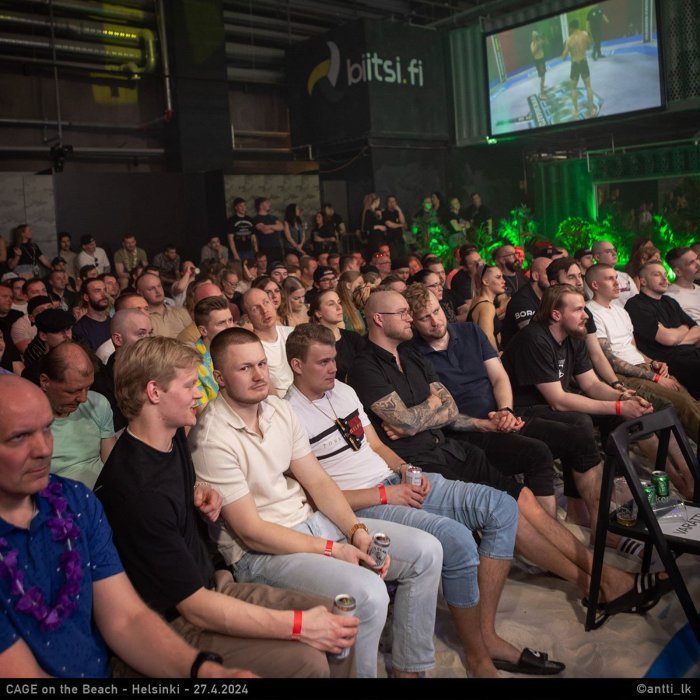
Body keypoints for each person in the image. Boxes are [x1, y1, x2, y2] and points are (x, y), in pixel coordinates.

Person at [347, 291, 669, 624]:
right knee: (511, 512)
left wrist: (420, 417)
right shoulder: (365, 367)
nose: (410, 318)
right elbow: (405, 421)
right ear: (379, 319)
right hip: (422, 465)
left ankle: (602, 575)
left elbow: (448, 408)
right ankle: (601, 581)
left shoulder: (410, 355)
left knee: (524, 497)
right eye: (403, 313)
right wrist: (428, 410)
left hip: (450, 448)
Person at [286, 324, 563, 678]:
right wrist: (387, 494)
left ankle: (485, 634)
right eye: (323, 362)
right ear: (297, 365)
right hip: (362, 503)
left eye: (333, 360)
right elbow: (316, 496)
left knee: (502, 507)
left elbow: (376, 445)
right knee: (458, 539)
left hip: (391, 480)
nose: (333, 368)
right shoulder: (290, 414)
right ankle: (477, 654)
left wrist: (404, 468)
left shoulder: (342, 390)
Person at [95, 337, 357, 678]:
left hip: (210, 584)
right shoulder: (138, 490)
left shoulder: (169, 436)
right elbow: (195, 608)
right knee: (309, 658)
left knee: (339, 617)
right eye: (189, 385)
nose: (199, 394)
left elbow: (175, 492)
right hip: (172, 621)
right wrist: (298, 626)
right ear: (154, 392)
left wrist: (197, 490)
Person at [189, 327, 443, 678]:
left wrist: (355, 532)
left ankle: (408, 670)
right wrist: (333, 549)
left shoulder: (277, 409)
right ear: (219, 378)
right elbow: (251, 532)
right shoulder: (211, 436)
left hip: (312, 523)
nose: (259, 375)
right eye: (244, 368)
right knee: (369, 594)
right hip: (262, 553)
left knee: (427, 551)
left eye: (261, 364)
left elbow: (318, 481)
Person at [0, 375, 251, 679]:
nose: (43, 449)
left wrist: (206, 672)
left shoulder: (75, 502)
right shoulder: (130, 485)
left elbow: (126, 618)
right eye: (18, 437)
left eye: (47, 429)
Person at [587, 263, 700, 463]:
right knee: (682, 404)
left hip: (643, 368)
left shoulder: (621, 311)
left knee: (690, 400)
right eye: (610, 278)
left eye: (616, 277)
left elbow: (634, 349)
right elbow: (609, 359)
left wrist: (654, 363)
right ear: (595, 285)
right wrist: (654, 378)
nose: (617, 283)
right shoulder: (591, 312)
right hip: (623, 375)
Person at [38, 342, 115, 489]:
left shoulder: (97, 404)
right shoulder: (26, 425)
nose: (83, 398)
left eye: (88, 387)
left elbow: (111, 462)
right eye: (73, 391)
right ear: (45, 382)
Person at [625, 261, 700, 398]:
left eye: (665, 274)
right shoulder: (635, 305)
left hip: (691, 353)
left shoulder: (669, 301)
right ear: (643, 281)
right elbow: (668, 338)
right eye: (657, 275)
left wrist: (676, 338)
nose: (664, 278)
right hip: (667, 363)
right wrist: (683, 328)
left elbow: (696, 329)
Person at [244, 287, 294, 396]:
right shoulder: (251, 349)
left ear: (272, 304)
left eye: (266, 302)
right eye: (255, 308)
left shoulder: (292, 334)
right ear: (248, 317)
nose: (264, 310)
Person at [308, 289, 364, 383]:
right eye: (331, 304)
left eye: (339, 302)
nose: (339, 307)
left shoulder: (354, 338)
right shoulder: (311, 343)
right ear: (318, 313)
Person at [193, 295, 235, 411]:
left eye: (230, 320)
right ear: (203, 330)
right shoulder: (191, 363)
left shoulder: (241, 349)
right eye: (221, 323)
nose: (229, 327)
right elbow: (203, 414)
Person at [501, 255, 551, 348]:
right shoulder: (522, 301)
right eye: (549, 273)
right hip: (519, 355)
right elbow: (534, 338)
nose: (553, 278)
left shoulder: (545, 297)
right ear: (535, 276)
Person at [21, 307, 74, 385]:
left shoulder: (83, 359)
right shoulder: (33, 373)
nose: (67, 335)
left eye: (68, 329)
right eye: (58, 331)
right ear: (43, 336)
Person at [136, 272, 191, 339]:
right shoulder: (142, 319)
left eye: (159, 286)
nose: (157, 291)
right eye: (151, 289)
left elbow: (198, 340)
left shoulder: (181, 312)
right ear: (141, 293)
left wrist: (202, 347)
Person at [562, 19, 596, 119]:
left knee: (573, 88)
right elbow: (589, 47)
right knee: (588, 86)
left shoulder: (569, 40)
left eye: (569, 28)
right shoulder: (585, 34)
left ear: (571, 28)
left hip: (575, 65)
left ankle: (576, 110)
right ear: (578, 25)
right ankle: (591, 110)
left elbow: (563, 57)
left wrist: (567, 48)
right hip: (583, 63)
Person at [467, 265, 506, 352]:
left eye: (502, 277)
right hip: (489, 357)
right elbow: (487, 338)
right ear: (485, 281)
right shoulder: (487, 306)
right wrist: (497, 356)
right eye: (498, 277)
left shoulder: (477, 300)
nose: (503, 281)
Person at [591, 240, 639, 306]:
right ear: (597, 257)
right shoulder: (592, 278)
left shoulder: (625, 276)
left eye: (614, 250)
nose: (614, 253)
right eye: (608, 251)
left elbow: (637, 300)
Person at [71, 278, 111, 352]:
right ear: (86, 297)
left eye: (105, 290)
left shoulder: (114, 322)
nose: (104, 295)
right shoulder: (80, 328)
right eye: (97, 291)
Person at [665, 247, 700, 323]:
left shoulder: (698, 288)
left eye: (697, 258)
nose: (698, 264)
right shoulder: (670, 297)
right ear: (678, 272)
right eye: (691, 263)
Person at [252, 197, 285, 263]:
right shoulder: (256, 219)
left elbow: (281, 227)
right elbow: (265, 231)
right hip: (265, 248)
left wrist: (268, 226)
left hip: (277, 247)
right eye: (267, 203)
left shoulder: (273, 217)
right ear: (260, 205)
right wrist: (275, 228)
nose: (269, 204)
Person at [382, 195, 407, 260]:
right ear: (387, 203)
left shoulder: (397, 212)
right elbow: (389, 224)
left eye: (393, 201)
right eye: (390, 201)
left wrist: (399, 210)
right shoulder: (384, 213)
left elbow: (403, 221)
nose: (392, 203)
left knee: (403, 258)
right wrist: (401, 225)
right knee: (395, 258)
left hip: (400, 239)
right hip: (391, 240)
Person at [530, 31, 547, 99]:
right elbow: (533, 53)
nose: (536, 37)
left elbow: (546, 43)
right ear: (533, 37)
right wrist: (537, 45)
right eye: (535, 36)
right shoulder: (532, 44)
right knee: (542, 77)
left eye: (537, 36)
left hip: (542, 60)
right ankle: (542, 94)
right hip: (538, 61)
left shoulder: (539, 41)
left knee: (543, 75)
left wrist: (544, 37)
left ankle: (542, 86)